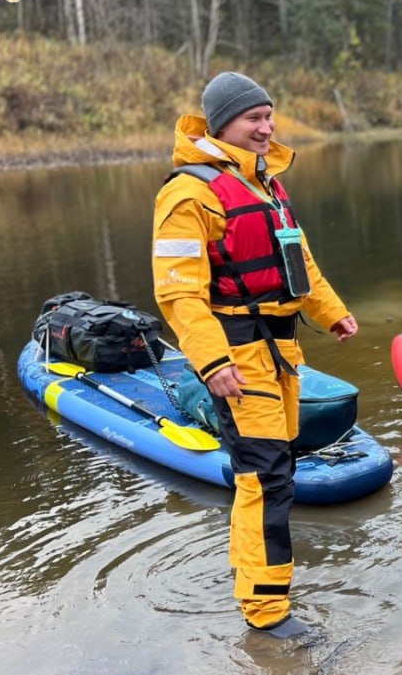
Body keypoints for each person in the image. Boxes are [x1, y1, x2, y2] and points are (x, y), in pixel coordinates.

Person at [151, 71, 357, 638]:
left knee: (270, 472)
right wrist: (214, 365)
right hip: (237, 355)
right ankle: (267, 616)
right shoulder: (187, 194)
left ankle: (257, 584)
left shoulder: (266, 184)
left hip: (281, 349)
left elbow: (300, 262)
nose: (266, 128)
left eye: (269, 116)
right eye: (253, 119)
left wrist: (330, 311)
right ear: (223, 125)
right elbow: (178, 293)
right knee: (266, 479)